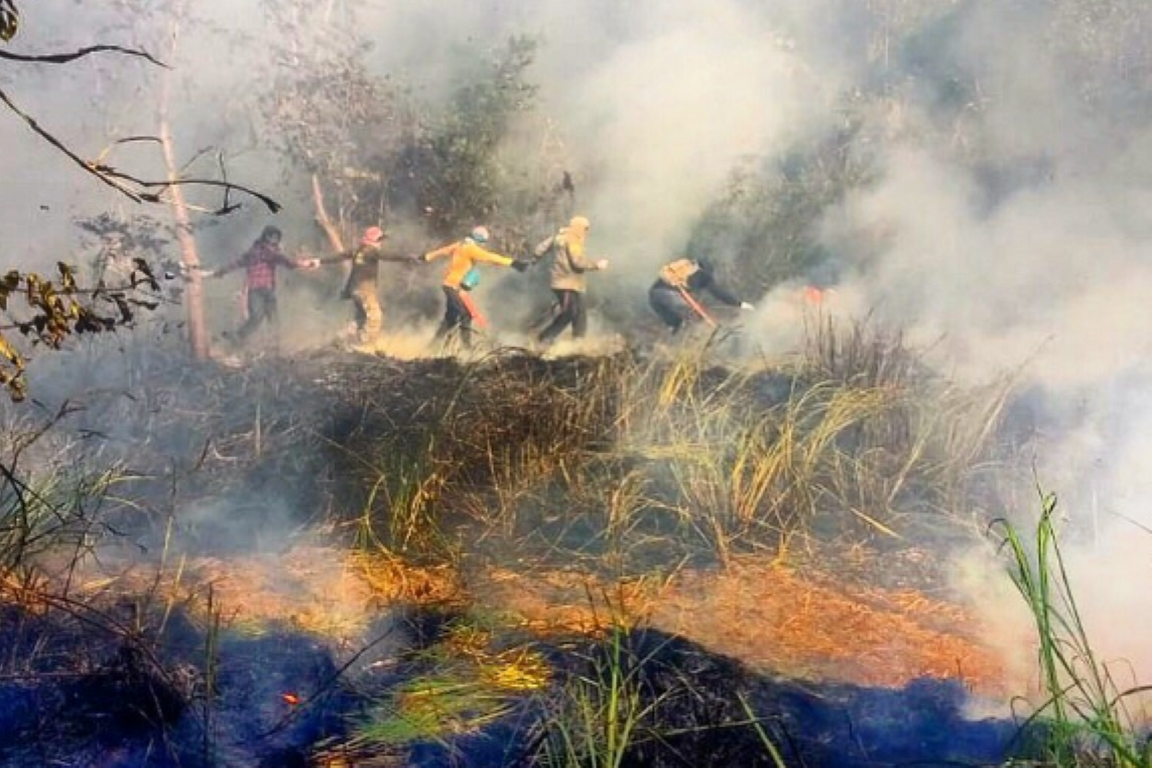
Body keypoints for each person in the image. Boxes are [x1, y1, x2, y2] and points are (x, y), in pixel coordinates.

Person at [205, 225, 317, 343]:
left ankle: (250, 339)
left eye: (277, 238)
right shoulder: (266, 251)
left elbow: (237, 263)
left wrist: (221, 271)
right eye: (274, 238)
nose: (276, 241)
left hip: (263, 290)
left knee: (265, 319)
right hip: (259, 291)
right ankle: (244, 338)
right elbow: (287, 262)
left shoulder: (257, 251)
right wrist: (305, 264)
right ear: (267, 237)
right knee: (264, 318)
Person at [420, 225, 523, 349]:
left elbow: (443, 250)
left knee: (452, 318)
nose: (483, 245)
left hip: (450, 285)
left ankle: (434, 346)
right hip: (453, 286)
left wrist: (427, 257)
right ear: (480, 240)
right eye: (483, 242)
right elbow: (490, 257)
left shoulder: (460, 244)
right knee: (465, 315)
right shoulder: (471, 249)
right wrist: (513, 263)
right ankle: (465, 348)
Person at [316, 226, 411, 347]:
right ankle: (363, 344)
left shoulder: (358, 250)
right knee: (375, 318)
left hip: (355, 290)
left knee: (361, 319)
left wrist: (319, 261)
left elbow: (339, 256)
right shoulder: (371, 250)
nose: (381, 243)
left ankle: (341, 338)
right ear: (374, 240)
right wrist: (407, 257)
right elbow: (388, 255)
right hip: (365, 291)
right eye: (379, 240)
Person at [530, 216, 609, 346]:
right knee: (569, 313)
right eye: (585, 228)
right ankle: (544, 338)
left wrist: (535, 260)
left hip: (568, 283)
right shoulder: (573, 240)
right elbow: (577, 261)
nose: (586, 232)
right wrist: (597, 265)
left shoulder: (558, 236)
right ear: (579, 227)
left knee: (580, 313)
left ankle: (578, 342)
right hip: (567, 283)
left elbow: (539, 249)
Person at [648, 257, 753, 333]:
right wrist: (674, 281)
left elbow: (719, 293)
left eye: (700, 274)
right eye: (695, 272)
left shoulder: (704, 279)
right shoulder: (683, 265)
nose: (696, 276)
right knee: (685, 311)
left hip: (677, 295)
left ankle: (697, 334)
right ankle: (685, 330)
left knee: (688, 314)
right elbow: (664, 272)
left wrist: (739, 304)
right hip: (660, 292)